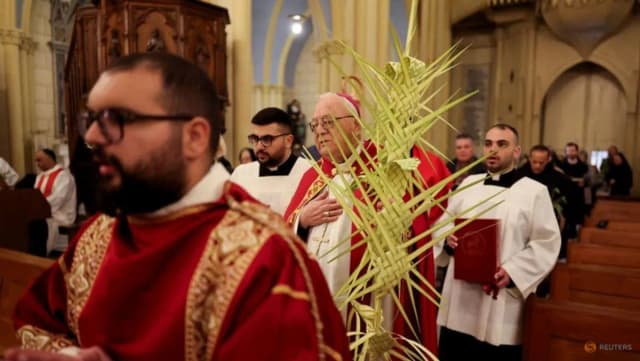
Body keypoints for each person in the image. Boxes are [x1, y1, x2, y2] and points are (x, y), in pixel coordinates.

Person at [5, 53, 349, 361]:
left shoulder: (265, 261)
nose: (92, 136)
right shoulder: (98, 233)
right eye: (91, 118)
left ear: (195, 137)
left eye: (117, 118)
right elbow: (39, 318)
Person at [283, 92, 451, 355]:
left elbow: (416, 235)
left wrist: (396, 226)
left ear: (356, 127)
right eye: (315, 124)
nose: (319, 132)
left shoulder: (388, 174)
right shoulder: (312, 176)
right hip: (317, 308)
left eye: (328, 122)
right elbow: (284, 237)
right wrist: (301, 221)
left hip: (372, 310)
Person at [434, 124, 560, 360]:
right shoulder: (468, 184)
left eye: (502, 145)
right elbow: (443, 224)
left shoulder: (534, 192)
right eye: (489, 144)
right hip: (460, 299)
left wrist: (513, 272)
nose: (493, 150)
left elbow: (546, 242)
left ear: (516, 151)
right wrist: (448, 240)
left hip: (499, 299)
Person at [230, 107, 310, 215]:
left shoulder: (309, 172)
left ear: (288, 141)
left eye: (266, 139)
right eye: (255, 139)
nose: (259, 146)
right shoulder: (241, 175)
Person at [519, 145, 583, 261]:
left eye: (541, 162)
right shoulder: (519, 175)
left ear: (548, 160)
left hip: (548, 226)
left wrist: (567, 220)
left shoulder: (559, 178)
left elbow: (572, 201)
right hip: (523, 226)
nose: (537, 166)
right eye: (534, 162)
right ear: (529, 158)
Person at [33, 148, 77, 257]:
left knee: (42, 223)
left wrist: (39, 210)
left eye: (39, 160)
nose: (37, 164)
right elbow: (34, 196)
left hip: (60, 215)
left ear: (50, 159)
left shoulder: (64, 176)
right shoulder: (40, 176)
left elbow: (58, 198)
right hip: (45, 212)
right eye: (36, 161)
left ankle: (41, 255)